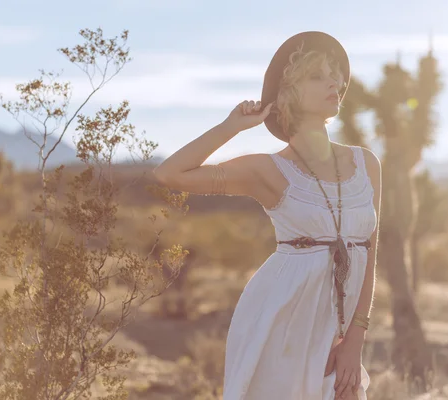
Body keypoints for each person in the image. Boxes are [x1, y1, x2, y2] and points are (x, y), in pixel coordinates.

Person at [153, 31, 381, 400]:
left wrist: (355, 338)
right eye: (317, 75)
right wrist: (232, 126)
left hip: (338, 323)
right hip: (280, 318)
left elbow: (369, 253)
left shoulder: (366, 163)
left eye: (335, 74)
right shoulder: (267, 171)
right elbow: (168, 174)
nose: (335, 82)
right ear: (289, 90)